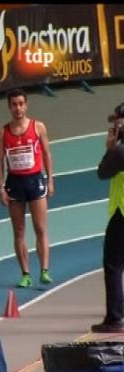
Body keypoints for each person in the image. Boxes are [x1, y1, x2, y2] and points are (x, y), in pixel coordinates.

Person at [0, 88, 54, 288]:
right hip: (15, 182)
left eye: (21, 104)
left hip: (35, 180)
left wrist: (50, 180)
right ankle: (25, 273)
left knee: (40, 227)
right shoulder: (3, 132)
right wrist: (1, 188)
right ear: (9, 107)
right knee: (19, 230)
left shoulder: (38, 127)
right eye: (14, 104)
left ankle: (44, 270)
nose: (18, 108)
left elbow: (47, 153)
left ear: (26, 105)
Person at [91, 102, 124, 334]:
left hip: (121, 212)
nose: (113, 126)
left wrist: (110, 147)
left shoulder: (120, 150)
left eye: (117, 122)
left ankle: (115, 317)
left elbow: (103, 172)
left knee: (113, 263)